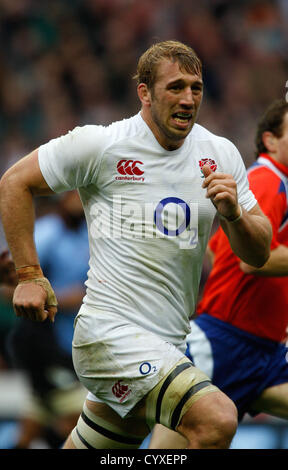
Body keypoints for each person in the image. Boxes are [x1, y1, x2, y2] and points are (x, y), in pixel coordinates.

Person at [0, 40, 272, 450]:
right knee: (216, 418)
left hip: (168, 344)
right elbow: (14, 182)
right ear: (144, 92)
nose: (188, 98)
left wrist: (233, 214)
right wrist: (29, 274)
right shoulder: (103, 144)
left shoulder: (220, 154)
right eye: (175, 87)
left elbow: (259, 252)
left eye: (196, 88)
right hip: (108, 336)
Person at [148, 98, 288, 449]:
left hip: (264, 351)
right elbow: (253, 260)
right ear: (270, 140)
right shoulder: (268, 179)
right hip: (223, 342)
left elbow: (216, 249)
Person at [0, 191, 89, 449]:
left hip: (76, 341)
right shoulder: (46, 233)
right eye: (72, 193)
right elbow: (15, 290)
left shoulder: (90, 235)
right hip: (43, 345)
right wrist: (55, 298)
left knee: (33, 425)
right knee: (77, 420)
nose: (77, 199)